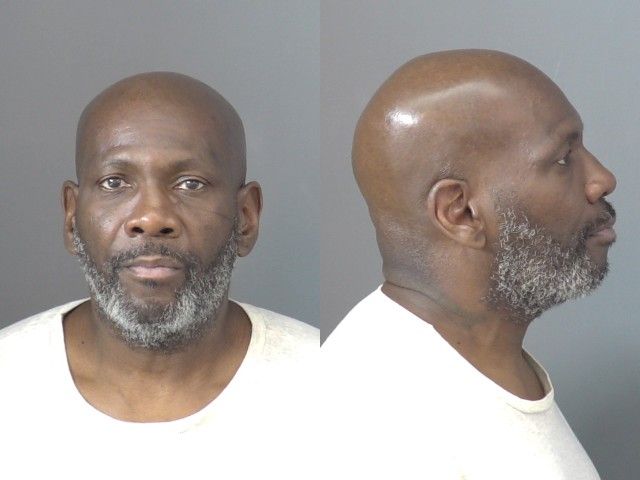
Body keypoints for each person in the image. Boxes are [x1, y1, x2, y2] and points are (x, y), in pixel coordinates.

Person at [0, 72, 318, 477]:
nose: (151, 218)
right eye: (115, 182)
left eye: (190, 184)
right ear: (71, 216)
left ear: (246, 217)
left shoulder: (329, 385)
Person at [322, 50, 616, 479]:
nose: (602, 180)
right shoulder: (379, 428)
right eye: (562, 159)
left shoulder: (479, 366)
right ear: (461, 212)